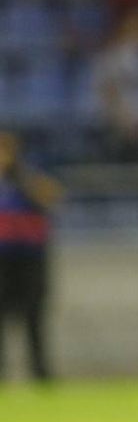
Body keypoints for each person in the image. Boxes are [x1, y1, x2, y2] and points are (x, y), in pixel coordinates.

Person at [0, 130, 62, 382]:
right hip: (2, 257)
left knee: (34, 315)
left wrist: (22, 178)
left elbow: (52, 198)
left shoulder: (30, 176)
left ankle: (39, 371)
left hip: (30, 256)